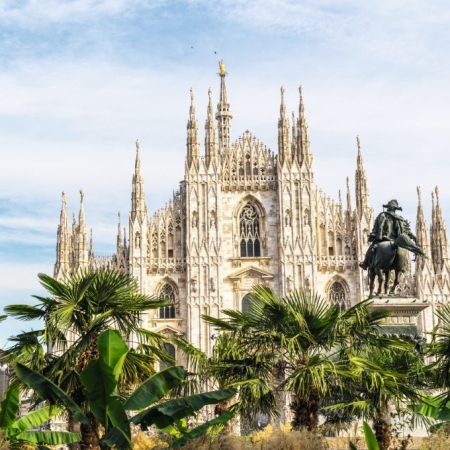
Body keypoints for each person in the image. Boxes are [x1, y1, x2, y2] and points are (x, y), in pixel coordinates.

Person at [359, 199, 425, 270]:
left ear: (388, 207)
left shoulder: (382, 215)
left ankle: (364, 264)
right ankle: (402, 268)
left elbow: (379, 227)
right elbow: (407, 231)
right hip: (397, 240)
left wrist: (374, 236)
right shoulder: (400, 219)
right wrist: (414, 238)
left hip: (384, 239)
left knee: (371, 249)